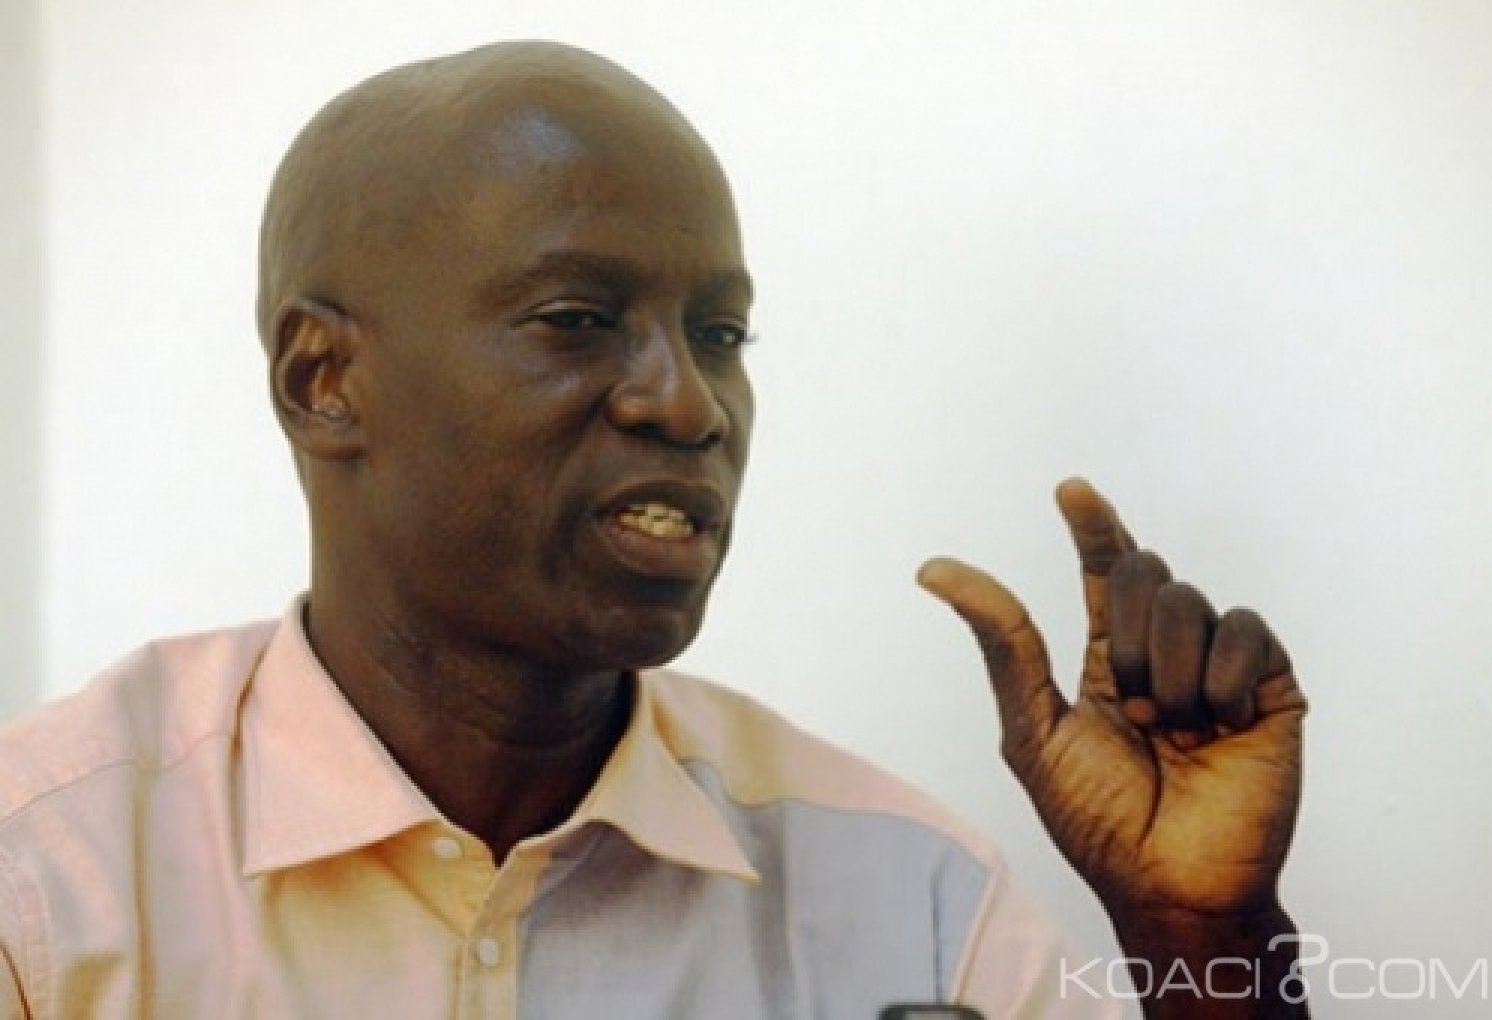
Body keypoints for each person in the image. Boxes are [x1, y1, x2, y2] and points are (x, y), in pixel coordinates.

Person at [0, 40, 1310, 1018]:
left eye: (721, 333)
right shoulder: (50, 879)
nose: (689, 404)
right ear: (323, 381)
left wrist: (1206, 946)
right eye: (577, 319)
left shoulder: (909, 899)